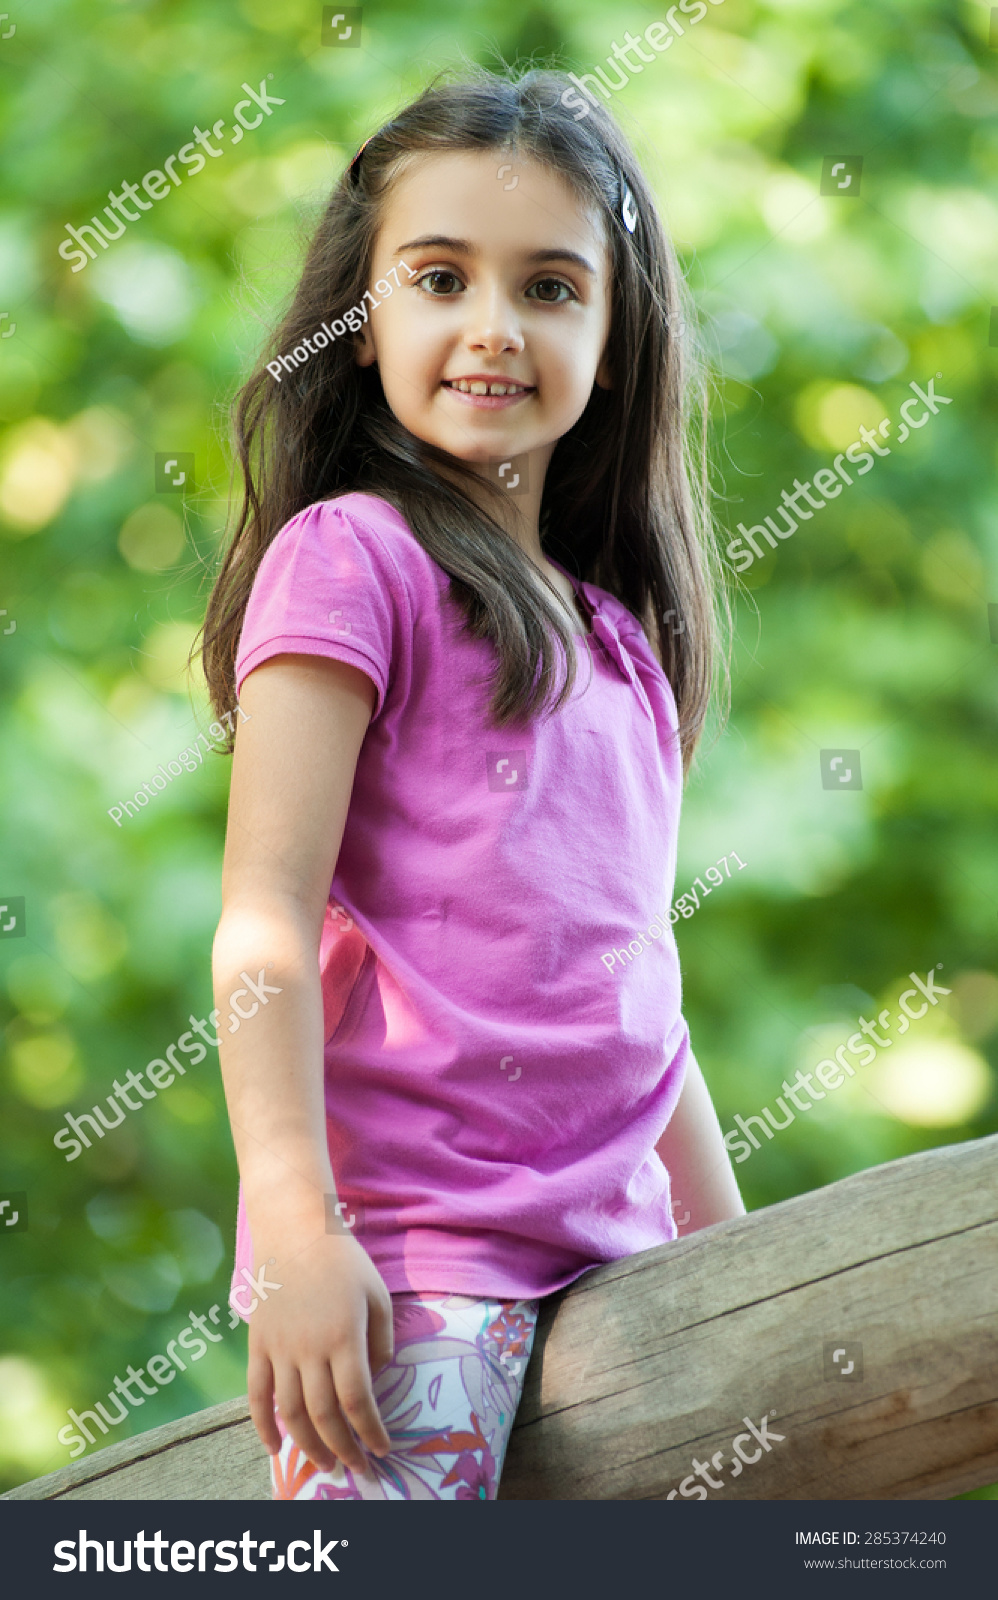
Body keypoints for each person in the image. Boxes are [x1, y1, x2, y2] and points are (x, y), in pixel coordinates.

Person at [200, 63, 745, 1503]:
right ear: (363, 311)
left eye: (552, 288)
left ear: (616, 335)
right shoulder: (350, 559)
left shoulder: (622, 645)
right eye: (438, 278)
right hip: (414, 1268)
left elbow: (642, 993)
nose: (492, 328)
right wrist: (297, 1234)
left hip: (627, 1281)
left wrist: (737, 1254)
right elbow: (264, 913)